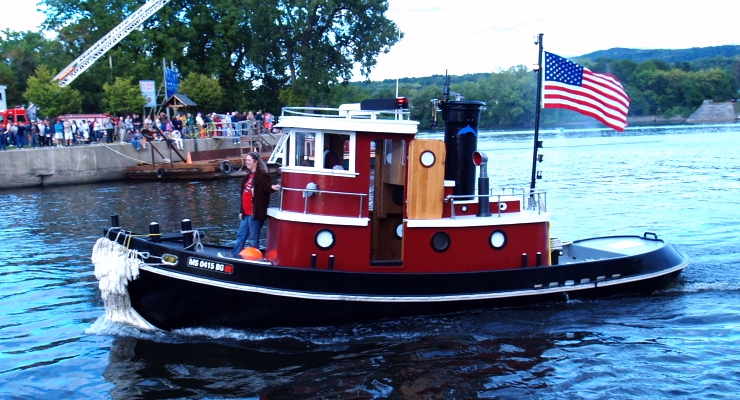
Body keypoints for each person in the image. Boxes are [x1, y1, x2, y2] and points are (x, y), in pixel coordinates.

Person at [221, 152, 280, 258]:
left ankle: (254, 257)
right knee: (241, 235)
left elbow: (267, 185)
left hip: (255, 213)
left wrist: (273, 187)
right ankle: (235, 255)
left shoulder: (262, 175)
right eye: (246, 160)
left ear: (255, 162)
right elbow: (244, 196)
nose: (246, 162)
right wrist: (241, 211)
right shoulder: (247, 177)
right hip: (246, 213)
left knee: (253, 237)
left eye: (249, 160)